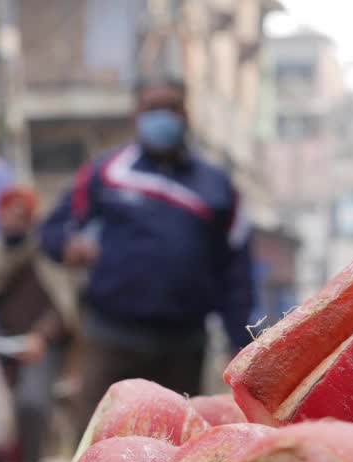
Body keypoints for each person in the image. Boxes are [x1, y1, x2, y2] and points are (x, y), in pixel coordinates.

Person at [41, 77, 256, 424]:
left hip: (185, 344)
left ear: (186, 113)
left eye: (171, 107)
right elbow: (52, 230)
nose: (163, 117)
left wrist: (240, 342)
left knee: (176, 443)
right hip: (111, 335)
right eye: (152, 109)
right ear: (136, 115)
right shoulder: (106, 172)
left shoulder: (217, 188)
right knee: (98, 438)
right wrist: (67, 247)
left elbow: (236, 271)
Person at [0, 186, 78, 462]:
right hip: (2, 340)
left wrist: (41, 337)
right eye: (7, 212)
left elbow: (63, 307)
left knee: (30, 403)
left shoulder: (46, 255)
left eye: (20, 214)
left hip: (40, 345)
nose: (13, 219)